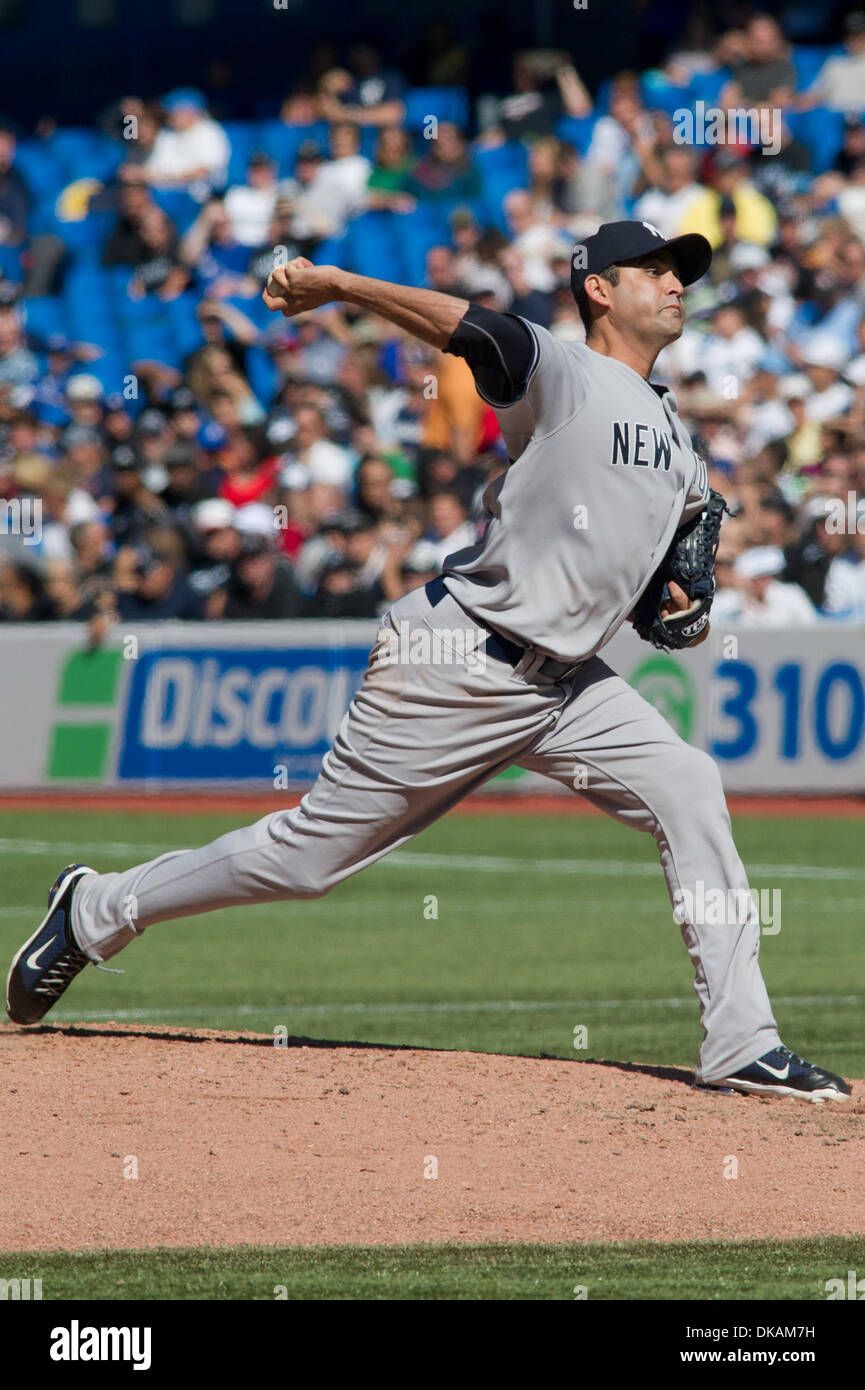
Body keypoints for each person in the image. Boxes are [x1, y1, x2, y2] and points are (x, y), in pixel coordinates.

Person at [6, 223, 850, 1107]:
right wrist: (337, 283)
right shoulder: (562, 369)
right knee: (307, 860)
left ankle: (741, 1043)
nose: (675, 284)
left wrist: (674, 593)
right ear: (597, 289)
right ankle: (96, 907)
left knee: (687, 784)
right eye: (653, 270)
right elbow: (475, 329)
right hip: (457, 661)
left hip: (564, 686)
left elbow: (672, 551)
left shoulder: (675, 432)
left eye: (681, 273)